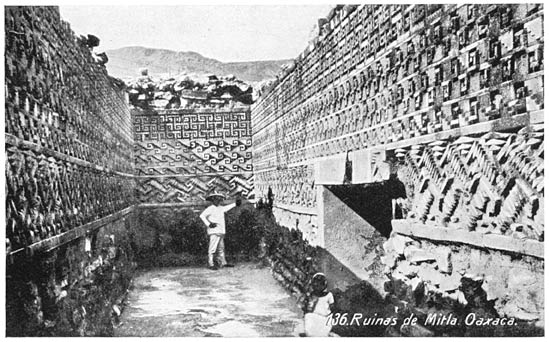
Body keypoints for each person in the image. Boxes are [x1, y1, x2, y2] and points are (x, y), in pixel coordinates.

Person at [199, 192, 241, 270]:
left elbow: (228, 207)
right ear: (212, 200)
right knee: (212, 248)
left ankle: (223, 262)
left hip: (221, 230)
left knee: (221, 248)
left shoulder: (221, 208)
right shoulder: (210, 208)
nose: (218, 201)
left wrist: (235, 203)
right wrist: (209, 224)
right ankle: (210, 264)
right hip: (214, 231)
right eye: (216, 199)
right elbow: (202, 216)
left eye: (219, 199)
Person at [301, 272, 334, 337]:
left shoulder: (329, 295)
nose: (317, 287)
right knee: (308, 316)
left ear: (324, 285)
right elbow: (307, 308)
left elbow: (332, 308)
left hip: (324, 317)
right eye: (315, 285)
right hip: (313, 317)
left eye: (319, 285)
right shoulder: (312, 295)